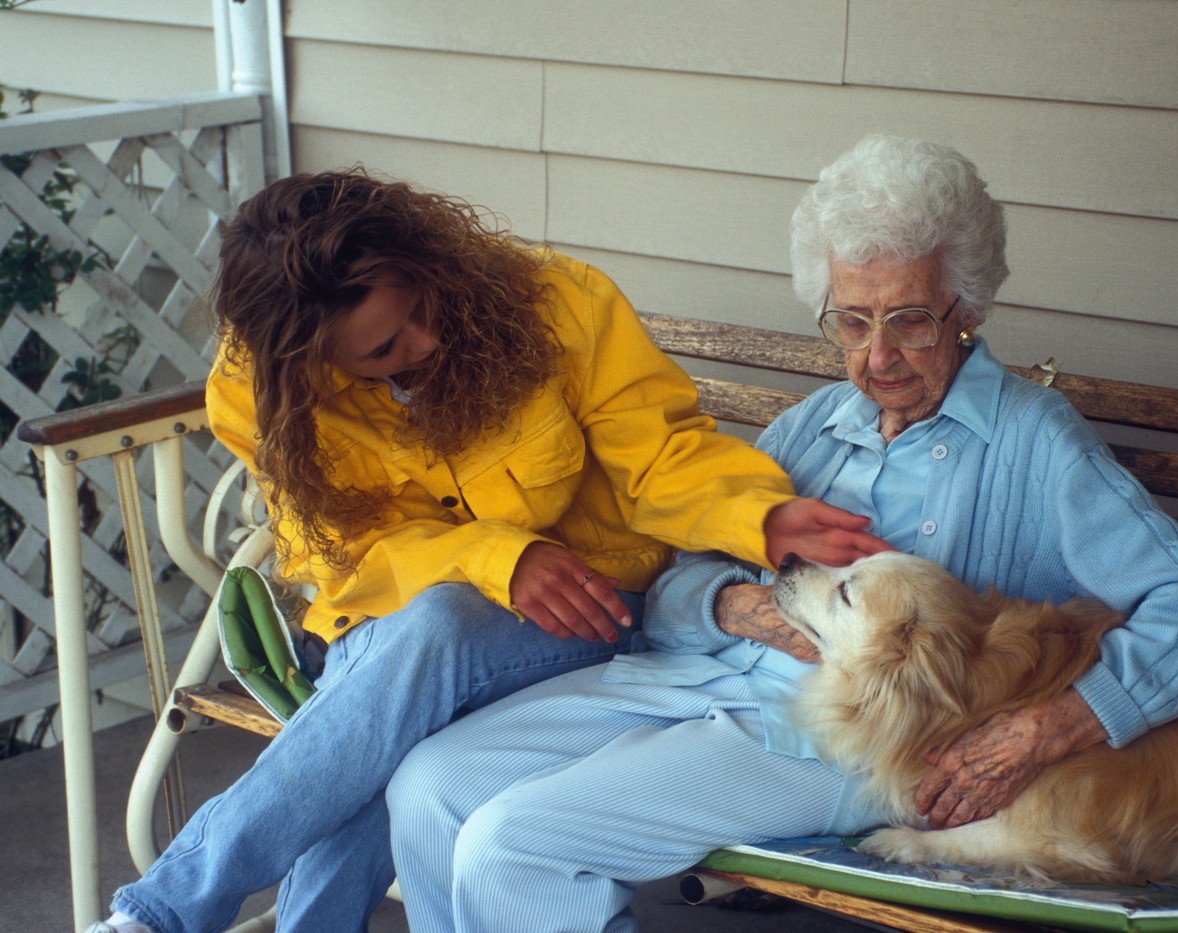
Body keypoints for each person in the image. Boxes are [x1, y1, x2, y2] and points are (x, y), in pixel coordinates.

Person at [384, 134, 1178, 933]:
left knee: (513, 843)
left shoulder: (1034, 443)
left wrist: (1046, 730)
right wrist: (738, 605)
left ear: (966, 307)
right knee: (425, 784)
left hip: (845, 746)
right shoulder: (815, 425)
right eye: (850, 321)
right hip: (692, 684)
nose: (877, 357)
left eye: (909, 320)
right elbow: (678, 583)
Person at [88, 169, 888, 933]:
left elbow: (659, 456)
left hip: (593, 612)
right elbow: (341, 551)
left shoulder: (558, 303)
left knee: (415, 665)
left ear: (429, 259)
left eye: (420, 306)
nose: (426, 339)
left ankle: (163, 910)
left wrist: (761, 513)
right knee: (416, 674)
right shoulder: (262, 390)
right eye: (381, 350)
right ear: (311, 365)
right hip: (386, 623)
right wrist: (495, 557)